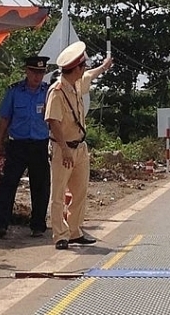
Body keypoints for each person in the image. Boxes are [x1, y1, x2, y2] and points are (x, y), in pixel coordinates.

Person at [45, 41, 113, 250]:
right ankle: (60, 235)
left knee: (80, 191)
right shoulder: (57, 91)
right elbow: (53, 121)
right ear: (75, 68)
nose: (84, 70)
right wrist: (65, 149)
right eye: (82, 66)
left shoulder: (75, 84)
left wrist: (103, 66)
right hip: (62, 148)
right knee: (58, 194)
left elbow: (89, 76)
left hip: (80, 148)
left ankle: (74, 231)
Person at [0, 56, 51, 239]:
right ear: (26, 71)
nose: (37, 76)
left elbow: (56, 120)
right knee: (8, 185)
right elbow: (4, 119)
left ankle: (38, 226)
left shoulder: (48, 92)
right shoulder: (15, 91)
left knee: (40, 186)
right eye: (34, 72)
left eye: (41, 72)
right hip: (18, 144)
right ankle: (1, 224)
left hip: (40, 145)